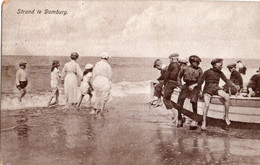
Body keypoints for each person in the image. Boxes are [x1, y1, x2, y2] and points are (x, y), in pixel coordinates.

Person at [198, 58, 232, 131]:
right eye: (219, 63)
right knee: (206, 105)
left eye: (221, 64)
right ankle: (204, 122)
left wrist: (230, 87)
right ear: (214, 64)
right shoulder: (207, 72)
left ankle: (226, 116)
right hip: (208, 89)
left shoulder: (220, 72)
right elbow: (200, 82)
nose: (221, 65)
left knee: (227, 97)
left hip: (216, 88)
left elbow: (226, 80)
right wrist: (200, 91)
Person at [177, 55, 203, 129]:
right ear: (192, 62)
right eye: (197, 62)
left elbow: (201, 81)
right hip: (186, 86)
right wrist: (180, 86)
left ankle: (195, 120)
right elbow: (178, 77)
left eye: (198, 63)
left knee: (194, 101)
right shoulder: (184, 68)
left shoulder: (199, 70)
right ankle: (180, 118)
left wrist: (198, 89)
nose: (198, 64)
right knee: (180, 101)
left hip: (195, 87)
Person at [163, 53, 181, 122]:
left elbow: (167, 75)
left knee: (165, 99)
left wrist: (164, 84)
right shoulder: (179, 65)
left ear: (172, 59)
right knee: (170, 98)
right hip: (176, 83)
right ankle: (176, 113)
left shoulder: (171, 65)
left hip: (170, 83)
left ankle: (175, 113)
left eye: (170, 59)